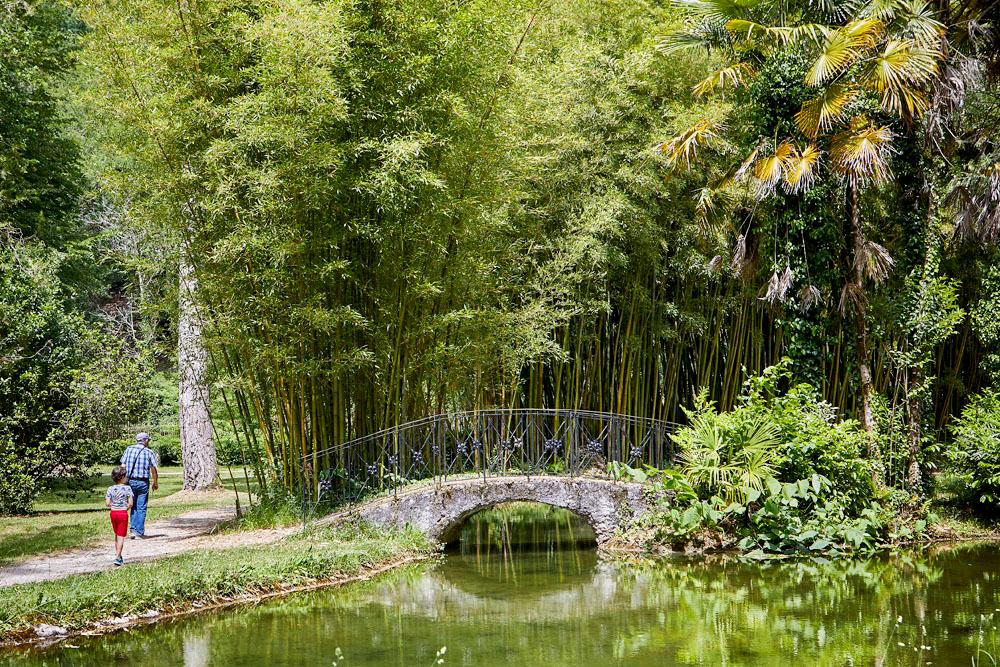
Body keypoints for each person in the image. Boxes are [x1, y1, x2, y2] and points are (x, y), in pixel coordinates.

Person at [121, 432, 159, 538]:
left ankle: (133, 530)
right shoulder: (149, 452)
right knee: (141, 507)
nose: (148, 442)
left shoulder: (129, 449)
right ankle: (139, 532)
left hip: (130, 481)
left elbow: (123, 466)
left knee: (132, 505)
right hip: (143, 482)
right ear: (145, 440)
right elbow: (153, 469)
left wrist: (122, 481)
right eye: (148, 440)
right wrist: (155, 482)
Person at [105, 465, 134, 566]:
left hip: (113, 513)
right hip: (122, 513)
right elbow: (131, 503)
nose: (127, 478)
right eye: (126, 476)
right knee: (121, 536)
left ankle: (118, 554)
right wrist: (126, 507)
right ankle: (117, 557)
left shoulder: (110, 489)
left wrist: (114, 505)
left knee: (117, 534)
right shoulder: (127, 488)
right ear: (122, 477)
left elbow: (107, 503)